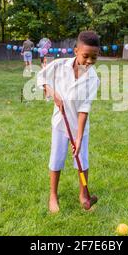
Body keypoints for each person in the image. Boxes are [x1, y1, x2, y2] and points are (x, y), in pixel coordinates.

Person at [37, 31, 100, 213]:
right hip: (60, 124)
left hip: (79, 127)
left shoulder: (93, 78)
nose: (89, 61)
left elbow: (84, 109)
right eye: (85, 56)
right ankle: (53, 196)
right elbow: (41, 78)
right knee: (56, 159)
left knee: (82, 160)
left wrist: (79, 137)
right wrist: (52, 92)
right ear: (76, 51)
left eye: (94, 58)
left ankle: (83, 194)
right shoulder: (59, 66)